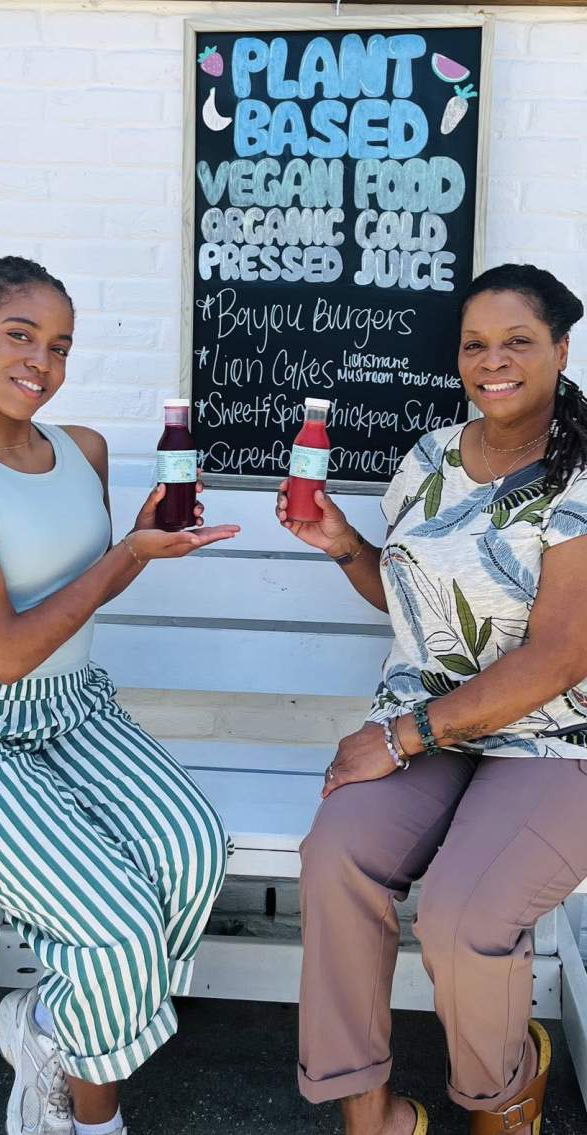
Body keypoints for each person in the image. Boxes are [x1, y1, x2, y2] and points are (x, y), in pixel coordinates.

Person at [277, 263, 587, 1135]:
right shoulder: (428, 460)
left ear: (561, 349)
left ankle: (503, 1097)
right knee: (336, 853)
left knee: (465, 910)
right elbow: (412, 603)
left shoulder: (581, 473)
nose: (493, 360)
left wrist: (403, 734)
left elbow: (561, 656)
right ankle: (371, 1112)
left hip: (559, 740)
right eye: (476, 344)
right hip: (436, 732)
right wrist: (345, 547)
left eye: (519, 341)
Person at [0, 256, 240, 1135]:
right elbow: (0, 652)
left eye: (61, 344)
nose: (43, 359)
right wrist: (128, 557)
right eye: (20, 335)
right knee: (112, 924)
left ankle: (49, 1028)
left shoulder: (85, 450)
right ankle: (87, 1114)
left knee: (194, 849)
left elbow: (80, 592)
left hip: (74, 709)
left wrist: (145, 535)